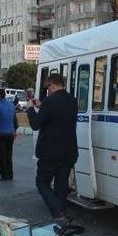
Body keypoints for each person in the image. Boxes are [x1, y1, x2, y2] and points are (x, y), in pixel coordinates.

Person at [26, 73, 78, 222]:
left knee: (42, 182)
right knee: (61, 185)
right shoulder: (72, 101)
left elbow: (36, 125)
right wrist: (41, 106)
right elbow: (59, 116)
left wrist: (30, 109)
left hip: (50, 152)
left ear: (53, 84)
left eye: (48, 86)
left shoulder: (50, 101)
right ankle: (62, 216)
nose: (47, 90)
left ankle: (58, 213)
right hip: (68, 151)